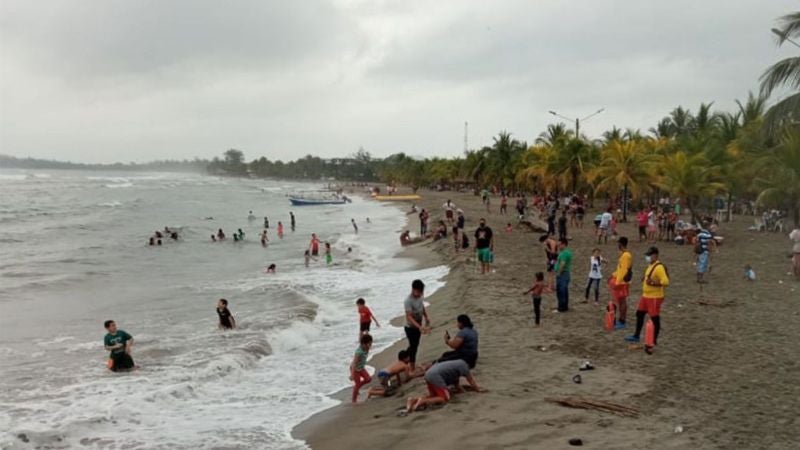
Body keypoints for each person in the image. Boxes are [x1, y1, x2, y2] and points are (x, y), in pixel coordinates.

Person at [626, 247, 669, 354]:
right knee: (639, 314)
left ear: (655, 255)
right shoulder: (651, 265)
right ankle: (636, 335)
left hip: (654, 296)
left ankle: (654, 340)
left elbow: (666, 282)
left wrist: (654, 283)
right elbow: (649, 276)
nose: (648, 257)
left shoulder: (659, 267)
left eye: (649, 255)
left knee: (654, 318)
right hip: (646, 295)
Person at [405, 359, 485, 414]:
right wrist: (478, 389)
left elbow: (456, 384)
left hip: (428, 374)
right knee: (445, 398)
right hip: (435, 376)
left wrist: (463, 391)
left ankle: (413, 400)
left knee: (433, 396)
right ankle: (422, 401)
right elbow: (471, 381)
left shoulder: (455, 366)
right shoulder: (464, 366)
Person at [404, 279, 430, 371]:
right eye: (419, 292)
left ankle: (403, 358)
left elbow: (421, 306)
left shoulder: (420, 296)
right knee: (413, 346)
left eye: (421, 292)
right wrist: (419, 327)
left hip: (418, 324)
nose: (420, 294)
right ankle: (412, 368)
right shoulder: (408, 301)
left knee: (414, 345)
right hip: (410, 327)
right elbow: (409, 317)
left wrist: (426, 316)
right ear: (413, 289)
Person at [609, 237, 633, 329]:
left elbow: (624, 270)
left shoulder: (626, 255)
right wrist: (613, 275)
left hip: (622, 282)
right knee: (620, 301)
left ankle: (622, 320)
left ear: (621, 244)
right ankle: (621, 319)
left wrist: (617, 282)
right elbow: (619, 269)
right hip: (621, 281)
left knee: (622, 301)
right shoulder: (624, 255)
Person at [350, 334, 373, 404]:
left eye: (370, 343)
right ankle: (354, 400)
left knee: (368, 379)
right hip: (355, 369)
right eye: (368, 344)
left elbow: (363, 338)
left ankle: (357, 387)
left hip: (361, 368)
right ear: (363, 344)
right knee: (357, 384)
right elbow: (354, 363)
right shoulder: (358, 352)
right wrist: (352, 374)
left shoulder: (367, 348)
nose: (370, 346)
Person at [554, 237, 572, 312]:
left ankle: (561, 308)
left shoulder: (564, 253)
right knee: (564, 291)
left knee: (561, 291)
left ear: (564, 244)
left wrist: (559, 272)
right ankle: (565, 306)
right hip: (565, 274)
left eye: (559, 244)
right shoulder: (566, 252)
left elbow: (562, 264)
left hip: (563, 274)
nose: (558, 245)